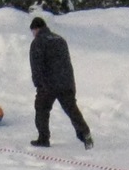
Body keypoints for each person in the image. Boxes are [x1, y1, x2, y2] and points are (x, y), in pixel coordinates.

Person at [28, 16, 92, 149]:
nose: (33, 34)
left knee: (41, 109)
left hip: (48, 83)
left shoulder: (38, 42)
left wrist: (38, 83)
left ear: (36, 29)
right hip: (65, 81)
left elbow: (36, 65)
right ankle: (85, 133)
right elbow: (67, 63)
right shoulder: (60, 39)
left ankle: (43, 138)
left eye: (33, 31)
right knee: (71, 109)